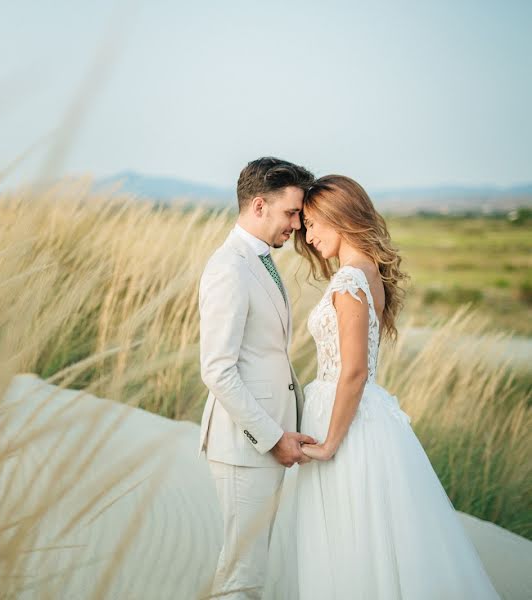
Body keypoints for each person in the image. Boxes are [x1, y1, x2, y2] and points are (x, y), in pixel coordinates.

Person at [264, 174, 499, 598]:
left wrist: (331, 442)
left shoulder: (351, 279)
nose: (308, 235)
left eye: (315, 224)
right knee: (363, 536)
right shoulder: (366, 272)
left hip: (345, 424)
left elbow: (353, 371)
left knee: (348, 538)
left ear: (341, 218)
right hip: (359, 415)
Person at [198, 156, 316, 598]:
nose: (297, 225)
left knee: (249, 569)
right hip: (245, 443)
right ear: (260, 206)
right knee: (242, 575)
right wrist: (272, 436)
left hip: (260, 442)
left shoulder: (259, 261)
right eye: (291, 213)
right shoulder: (230, 268)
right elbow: (217, 369)